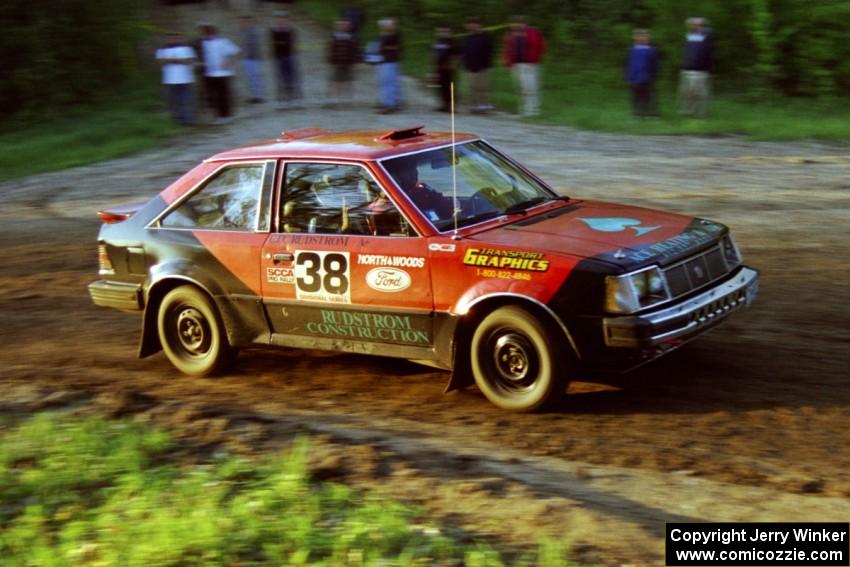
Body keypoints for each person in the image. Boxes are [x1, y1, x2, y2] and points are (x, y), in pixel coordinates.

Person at [502, 16, 545, 117]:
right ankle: (524, 110)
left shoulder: (533, 32)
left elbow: (541, 47)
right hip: (515, 65)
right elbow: (506, 49)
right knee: (520, 89)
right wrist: (507, 63)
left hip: (529, 65)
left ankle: (534, 110)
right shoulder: (510, 35)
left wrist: (536, 60)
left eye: (519, 23)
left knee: (531, 88)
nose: (517, 25)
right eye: (514, 23)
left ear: (525, 24)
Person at [199, 24, 240, 123]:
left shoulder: (223, 41)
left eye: (206, 33)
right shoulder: (203, 43)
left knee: (223, 94)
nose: (205, 35)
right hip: (209, 73)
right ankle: (217, 116)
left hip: (222, 73)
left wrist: (228, 63)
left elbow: (234, 53)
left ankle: (226, 115)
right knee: (212, 95)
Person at [156, 32, 197, 125]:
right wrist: (178, 60)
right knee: (173, 100)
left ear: (179, 39)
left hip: (185, 79)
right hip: (169, 80)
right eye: (170, 38)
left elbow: (189, 61)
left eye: (175, 38)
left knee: (186, 100)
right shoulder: (161, 50)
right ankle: (177, 120)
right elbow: (161, 62)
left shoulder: (186, 48)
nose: (172, 40)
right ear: (166, 39)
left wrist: (172, 60)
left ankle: (188, 120)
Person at [679, 17, 713, 117]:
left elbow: (710, 31)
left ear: (701, 25)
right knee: (686, 93)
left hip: (701, 70)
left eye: (697, 24)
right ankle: (687, 111)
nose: (694, 26)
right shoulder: (688, 36)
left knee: (700, 94)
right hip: (687, 69)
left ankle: (700, 113)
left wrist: (702, 21)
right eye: (692, 24)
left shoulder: (706, 35)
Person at [270, 11, 302, 109]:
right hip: (278, 57)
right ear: (275, 20)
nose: (280, 20)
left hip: (290, 56)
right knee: (280, 79)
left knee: (292, 77)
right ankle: (281, 100)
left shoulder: (291, 30)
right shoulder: (273, 30)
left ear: (287, 20)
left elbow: (292, 43)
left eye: (283, 18)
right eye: (278, 18)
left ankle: (294, 98)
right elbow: (273, 43)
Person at [625, 28, 660, 117]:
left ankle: (650, 113)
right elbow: (629, 64)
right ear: (635, 38)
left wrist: (653, 76)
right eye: (639, 36)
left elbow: (655, 65)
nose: (641, 38)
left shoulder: (652, 50)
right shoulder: (632, 50)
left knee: (648, 96)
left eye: (644, 36)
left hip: (647, 77)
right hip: (635, 77)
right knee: (635, 96)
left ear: (648, 38)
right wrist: (629, 76)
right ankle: (636, 113)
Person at [462, 17, 494, 113]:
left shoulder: (485, 37)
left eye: (475, 24)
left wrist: (487, 66)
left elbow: (489, 52)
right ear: (467, 26)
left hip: (483, 67)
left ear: (479, 25)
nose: (472, 26)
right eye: (470, 24)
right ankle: (474, 106)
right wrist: (466, 65)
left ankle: (484, 105)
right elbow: (465, 53)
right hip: (470, 67)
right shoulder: (467, 38)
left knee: (482, 87)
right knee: (472, 87)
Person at [327, 19, 358, 107]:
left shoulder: (351, 37)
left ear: (348, 27)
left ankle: (348, 99)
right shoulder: (334, 37)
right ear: (337, 26)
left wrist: (354, 61)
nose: (343, 27)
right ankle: (335, 99)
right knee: (336, 81)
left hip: (348, 63)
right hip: (337, 62)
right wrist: (331, 60)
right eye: (341, 25)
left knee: (348, 81)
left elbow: (354, 50)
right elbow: (331, 50)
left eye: (345, 25)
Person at [377, 18, 402, 113]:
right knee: (385, 83)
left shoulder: (395, 35)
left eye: (390, 25)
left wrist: (386, 47)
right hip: (384, 61)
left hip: (391, 61)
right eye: (387, 25)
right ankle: (386, 102)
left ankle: (390, 105)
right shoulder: (385, 35)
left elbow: (396, 47)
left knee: (390, 83)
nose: (387, 26)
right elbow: (382, 47)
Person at [431, 25, 458, 112]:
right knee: (440, 87)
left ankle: (452, 106)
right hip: (439, 68)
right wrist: (433, 64)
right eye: (440, 31)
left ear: (449, 32)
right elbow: (433, 53)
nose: (443, 33)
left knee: (449, 87)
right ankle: (444, 105)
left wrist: (453, 64)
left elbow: (457, 54)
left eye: (445, 31)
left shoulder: (452, 42)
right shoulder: (437, 42)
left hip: (448, 69)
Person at [239, 15, 265, 103]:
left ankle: (259, 95)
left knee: (256, 77)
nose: (242, 24)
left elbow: (254, 46)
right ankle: (253, 95)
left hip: (254, 58)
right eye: (241, 22)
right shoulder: (243, 33)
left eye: (244, 22)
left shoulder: (254, 32)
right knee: (249, 78)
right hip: (247, 59)